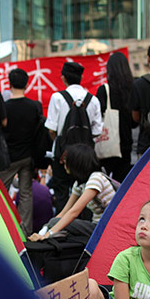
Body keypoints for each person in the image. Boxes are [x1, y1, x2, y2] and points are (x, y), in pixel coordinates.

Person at [45, 62, 103, 212]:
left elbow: (51, 130)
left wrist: (62, 142)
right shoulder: (93, 99)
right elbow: (97, 131)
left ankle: (61, 227)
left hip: (62, 154)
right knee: (84, 191)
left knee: (62, 190)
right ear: (81, 77)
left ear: (63, 78)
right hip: (85, 155)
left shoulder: (57, 97)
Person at [29, 143, 115, 241]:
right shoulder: (80, 183)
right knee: (54, 222)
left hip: (108, 227)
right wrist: (47, 227)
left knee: (57, 225)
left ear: (76, 163)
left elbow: (74, 212)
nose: (64, 164)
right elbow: (64, 212)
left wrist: (48, 234)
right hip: (97, 225)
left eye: (66, 161)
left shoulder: (96, 179)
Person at [0, 68, 42, 236]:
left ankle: (2, 229)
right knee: (25, 194)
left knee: (1, 193)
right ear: (27, 84)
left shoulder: (4, 107)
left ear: (9, 84)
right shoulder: (34, 106)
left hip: (8, 158)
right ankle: (25, 233)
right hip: (27, 156)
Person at [95, 52, 135, 182]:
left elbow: (97, 117)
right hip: (126, 145)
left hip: (107, 144)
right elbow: (134, 122)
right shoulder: (133, 89)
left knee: (104, 183)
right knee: (122, 184)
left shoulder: (104, 90)